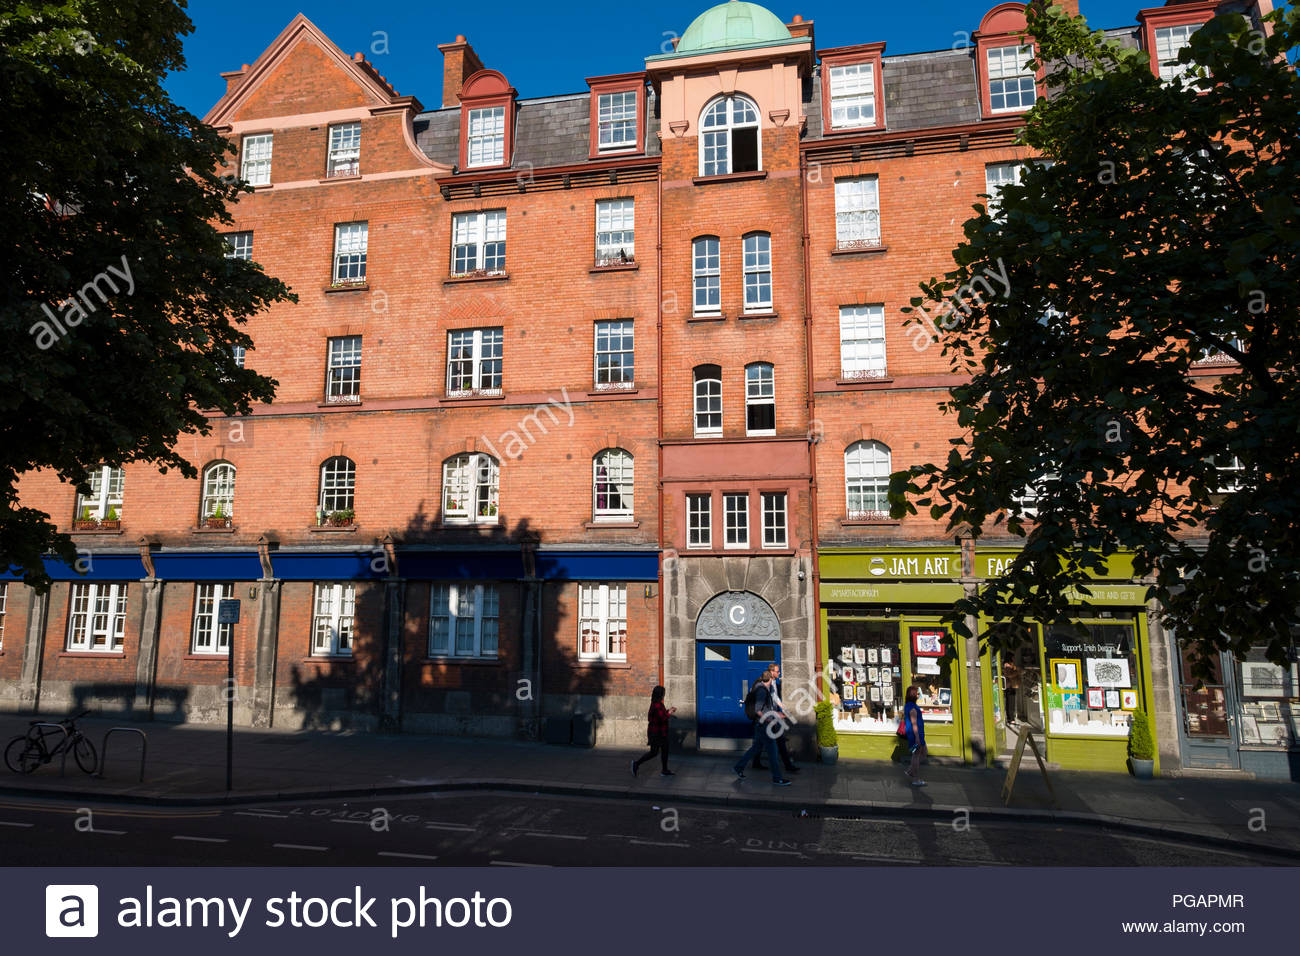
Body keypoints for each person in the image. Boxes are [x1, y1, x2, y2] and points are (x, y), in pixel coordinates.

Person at [733, 669, 791, 785]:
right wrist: (769, 719)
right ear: (769, 679)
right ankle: (777, 778)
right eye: (772, 679)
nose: (773, 681)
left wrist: (777, 714)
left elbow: (765, 709)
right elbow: (758, 710)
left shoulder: (761, 688)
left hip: (761, 725)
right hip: (764, 725)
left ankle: (739, 767)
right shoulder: (762, 691)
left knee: (755, 748)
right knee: (773, 752)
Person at [753, 663, 800, 774]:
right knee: (775, 741)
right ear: (772, 672)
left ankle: (785, 765)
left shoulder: (773, 682)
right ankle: (783, 768)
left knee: (776, 741)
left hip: (772, 716)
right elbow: (761, 704)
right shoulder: (765, 683)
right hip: (767, 717)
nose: (779, 673)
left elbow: (775, 698)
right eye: (778, 671)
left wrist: (783, 709)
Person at [631, 685, 676, 777]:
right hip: (656, 733)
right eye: (663, 693)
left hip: (659, 732)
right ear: (660, 694)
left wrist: (668, 711)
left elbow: (661, 715)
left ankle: (664, 770)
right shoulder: (657, 705)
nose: (664, 695)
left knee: (664, 750)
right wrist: (669, 713)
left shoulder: (657, 703)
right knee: (654, 752)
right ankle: (636, 764)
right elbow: (661, 718)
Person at [903, 683, 927, 787]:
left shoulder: (909, 705)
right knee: (916, 755)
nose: (918, 695)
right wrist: (917, 737)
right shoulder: (912, 708)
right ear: (913, 695)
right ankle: (915, 778)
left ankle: (910, 770)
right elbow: (914, 723)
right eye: (917, 694)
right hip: (915, 734)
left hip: (918, 734)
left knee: (923, 752)